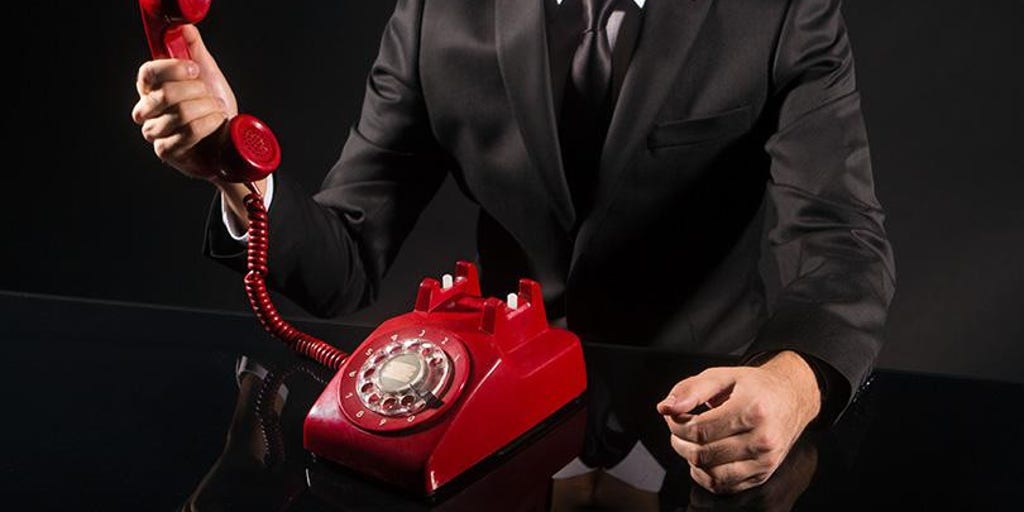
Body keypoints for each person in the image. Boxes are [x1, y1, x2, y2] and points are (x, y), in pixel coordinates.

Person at [131, 0, 895, 495]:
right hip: (498, 435)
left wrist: (793, 384)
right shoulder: (436, 14)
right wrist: (240, 171)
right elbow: (345, 261)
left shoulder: (780, 11)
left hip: (711, 422)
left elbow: (842, 239)